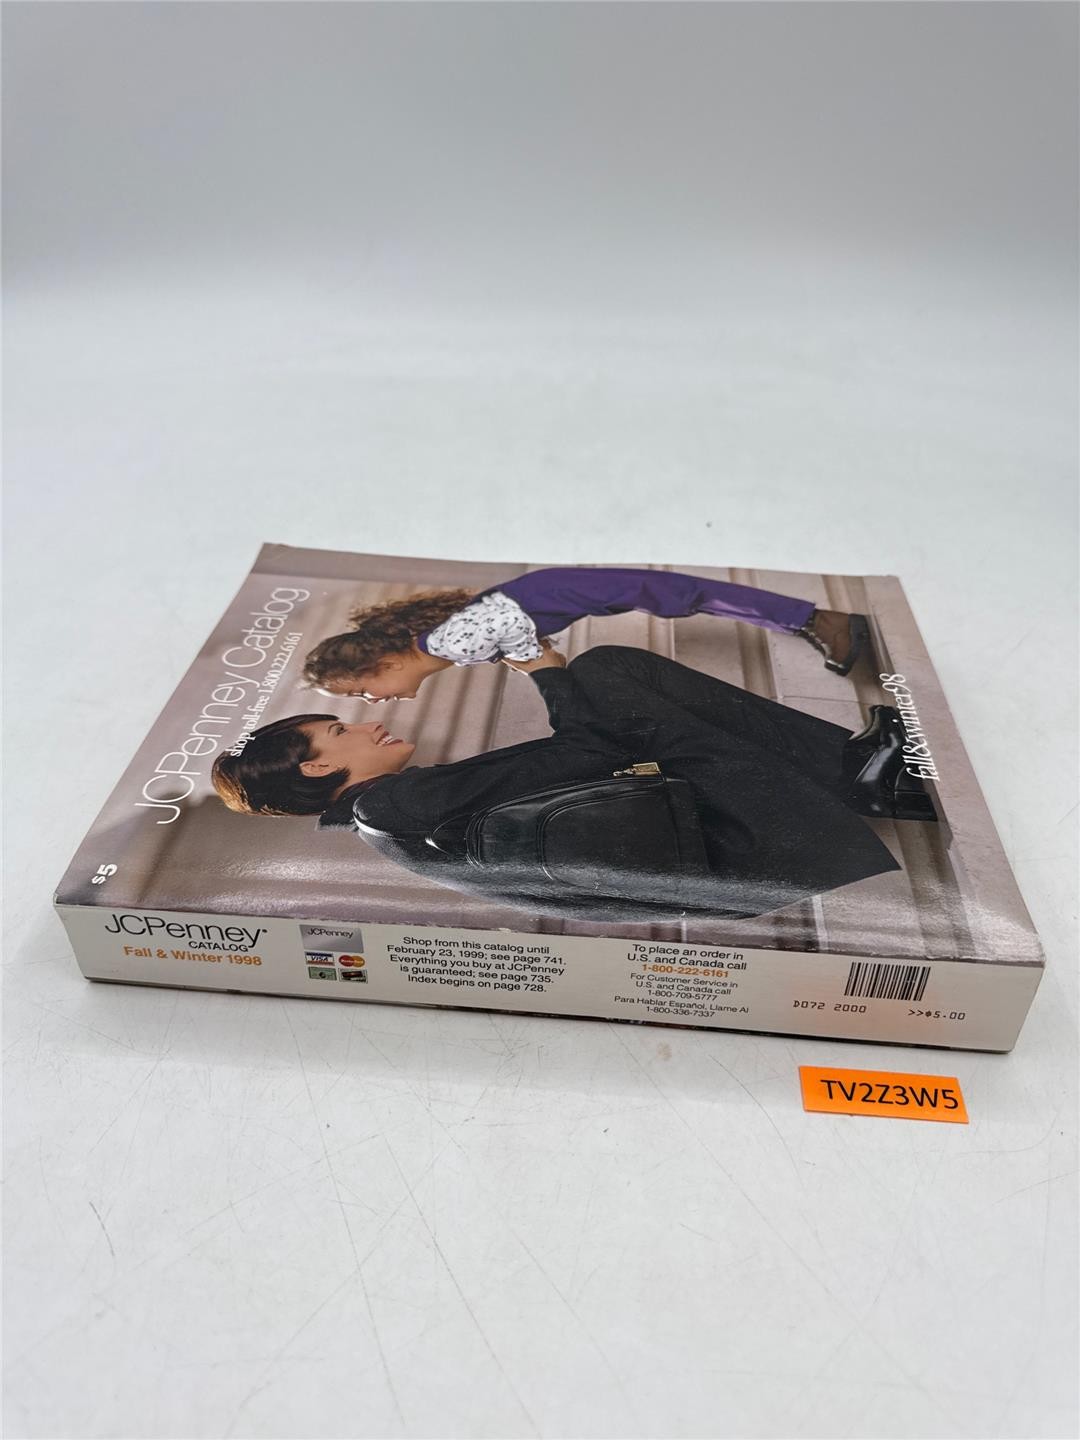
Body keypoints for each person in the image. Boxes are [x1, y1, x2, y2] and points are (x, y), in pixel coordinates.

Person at [213, 645, 915, 924]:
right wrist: (542, 671)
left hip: (735, 871)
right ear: (316, 768)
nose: (368, 726)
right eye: (339, 731)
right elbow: (591, 749)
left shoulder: (392, 823)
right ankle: (858, 776)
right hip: (750, 849)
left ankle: (857, 772)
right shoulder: (401, 805)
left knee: (612, 684)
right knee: (606, 669)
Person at [301, 566, 870, 701]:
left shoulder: (443, 645)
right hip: (553, 593)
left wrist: (534, 660)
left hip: (555, 594)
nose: (374, 700)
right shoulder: (447, 645)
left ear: (379, 665)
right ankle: (809, 619)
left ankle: (821, 620)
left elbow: (509, 624)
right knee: (678, 597)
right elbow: (505, 628)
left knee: (681, 595)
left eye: (363, 691)